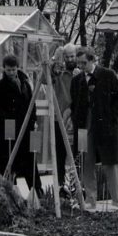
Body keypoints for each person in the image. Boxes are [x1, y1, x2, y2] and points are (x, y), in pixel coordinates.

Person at [70, 46, 118, 209]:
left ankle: (117, 198)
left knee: (111, 161)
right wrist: (75, 120)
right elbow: (74, 104)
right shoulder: (77, 81)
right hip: (84, 126)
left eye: (83, 63)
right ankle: (90, 199)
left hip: (105, 125)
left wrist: (113, 117)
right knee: (86, 161)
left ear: (92, 60)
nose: (80, 66)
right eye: (78, 63)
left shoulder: (108, 75)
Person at [0, 54, 42, 194]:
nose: (11, 73)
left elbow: (32, 104)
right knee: (8, 159)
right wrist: (7, 120)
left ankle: (36, 191)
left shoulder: (25, 83)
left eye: (14, 69)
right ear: (4, 69)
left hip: (25, 128)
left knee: (29, 160)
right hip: (9, 129)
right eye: (8, 70)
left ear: (18, 68)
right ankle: (11, 191)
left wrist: (33, 121)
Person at [50, 44, 77, 188]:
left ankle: (75, 186)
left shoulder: (80, 73)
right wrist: (55, 59)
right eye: (67, 57)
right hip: (59, 118)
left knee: (76, 154)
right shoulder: (59, 73)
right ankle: (60, 185)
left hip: (76, 119)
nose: (70, 59)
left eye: (72, 56)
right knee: (60, 154)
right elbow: (44, 79)